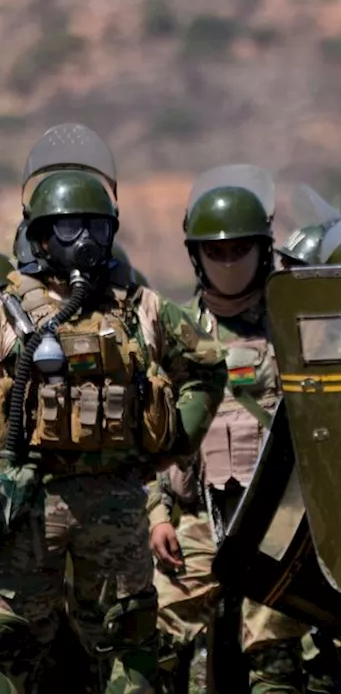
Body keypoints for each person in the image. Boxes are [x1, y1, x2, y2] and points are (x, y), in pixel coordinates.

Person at [0, 125, 228, 692]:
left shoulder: (141, 309)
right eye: (70, 227)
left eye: (97, 227)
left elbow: (206, 365)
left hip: (117, 506)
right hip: (28, 502)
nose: (85, 240)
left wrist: (176, 437)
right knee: (13, 646)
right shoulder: (8, 312)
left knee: (128, 645)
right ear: (41, 236)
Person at [148, 174, 315, 693]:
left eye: (240, 248)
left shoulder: (293, 321)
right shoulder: (175, 328)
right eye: (215, 250)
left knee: (271, 645)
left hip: (279, 519)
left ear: (263, 249)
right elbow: (157, 434)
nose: (228, 260)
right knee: (153, 631)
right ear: (196, 256)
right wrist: (157, 514)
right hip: (200, 518)